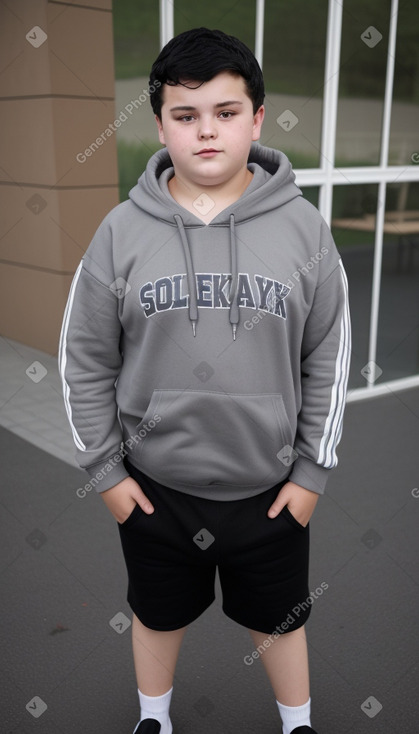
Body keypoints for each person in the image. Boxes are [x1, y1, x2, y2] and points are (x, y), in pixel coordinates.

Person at [59, 27, 351, 734]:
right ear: (159, 123)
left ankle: (297, 723)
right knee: (157, 616)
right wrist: (107, 475)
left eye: (225, 112)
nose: (206, 131)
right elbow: (84, 358)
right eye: (185, 115)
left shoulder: (304, 232)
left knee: (278, 623)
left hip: (270, 489)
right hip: (156, 491)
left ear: (256, 117)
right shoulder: (121, 232)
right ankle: (153, 718)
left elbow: (329, 357)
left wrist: (311, 473)